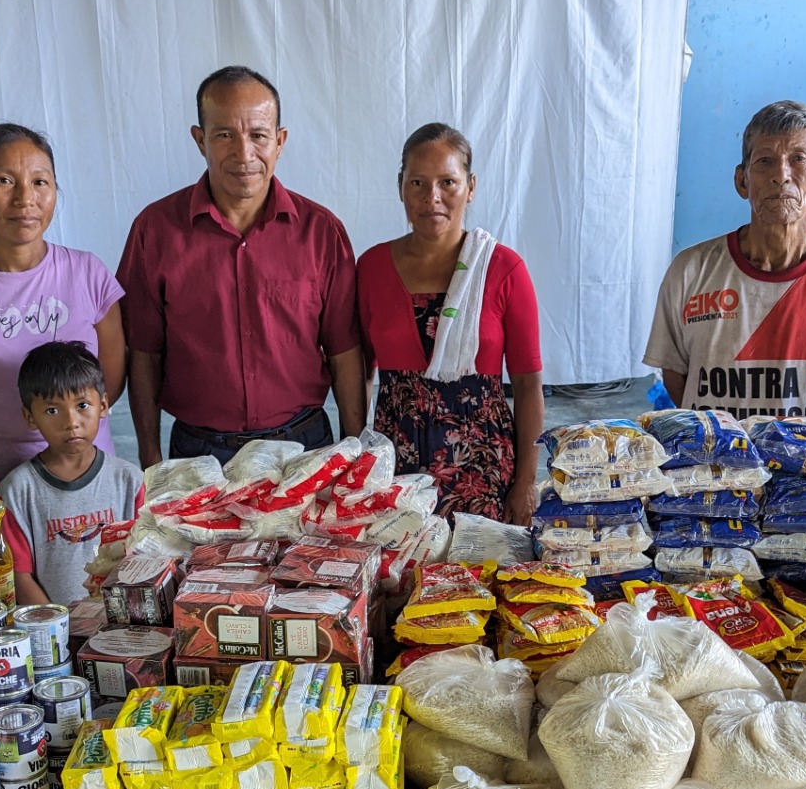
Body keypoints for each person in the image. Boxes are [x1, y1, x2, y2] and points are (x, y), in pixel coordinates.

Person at [117, 65, 365, 466]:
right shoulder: (155, 231)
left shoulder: (321, 233)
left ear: (280, 141)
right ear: (200, 141)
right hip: (199, 455)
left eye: (258, 135)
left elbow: (344, 350)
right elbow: (144, 353)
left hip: (302, 447)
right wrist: (149, 454)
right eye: (224, 135)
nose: (244, 153)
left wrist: (354, 451)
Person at [645, 100, 806, 423]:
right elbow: (676, 376)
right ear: (742, 181)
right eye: (765, 161)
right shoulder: (691, 270)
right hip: (719, 469)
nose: (781, 175)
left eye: (799, 159)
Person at [355, 125, 545, 523]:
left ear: (471, 186)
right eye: (418, 183)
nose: (432, 198)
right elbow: (358, 373)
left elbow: (528, 385)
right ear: (400, 187)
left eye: (448, 182)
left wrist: (526, 481)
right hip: (396, 466)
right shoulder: (371, 268)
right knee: (398, 579)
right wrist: (357, 461)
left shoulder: (503, 269)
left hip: (483, 470)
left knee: (481, 576)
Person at [0, 124, 126, 483]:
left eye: (39, 182)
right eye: (4, 181)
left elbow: (109, 381)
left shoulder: (88, 273)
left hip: (88, 481)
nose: (25, 199)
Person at [0, 342, 144, 606]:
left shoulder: (130, 482)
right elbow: (19, 577)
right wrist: (58, 627)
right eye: (52, 410)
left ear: (102, 405)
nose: (71, 422)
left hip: (122, 625)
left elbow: (145, 563)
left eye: (82, 405)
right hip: (53, 633)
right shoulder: (17, 491)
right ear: (30, 417)